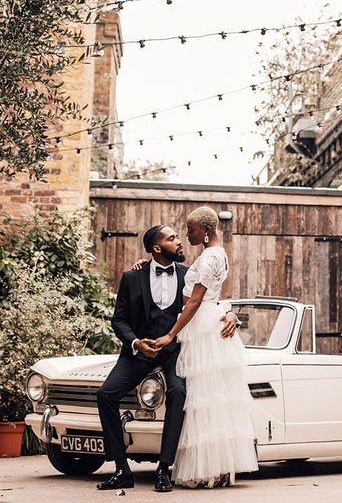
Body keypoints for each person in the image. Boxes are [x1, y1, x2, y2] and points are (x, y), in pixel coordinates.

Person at [95, 224, 238, 493]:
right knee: (106, 394)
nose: (180, 241)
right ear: (157, 248)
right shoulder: (131, 277)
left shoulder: (188, 273)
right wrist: (137, 343)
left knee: (179, 392)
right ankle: (122, 470)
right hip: (140, 352)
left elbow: (209, 303)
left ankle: (163, 469)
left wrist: (232, 317)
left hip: (176, 351)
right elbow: (119, 321)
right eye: (172, 239)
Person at [151, 206, 258, 488]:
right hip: (206, 322)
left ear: (206, 231)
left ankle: (207, 468)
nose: (187, 235)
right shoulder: (215, 254)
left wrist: (171, 333)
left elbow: (197, 300)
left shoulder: (211, 256)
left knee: (203, 398)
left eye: (191, 230)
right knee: (210, 398)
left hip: (200, 327)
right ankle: (217, 467)